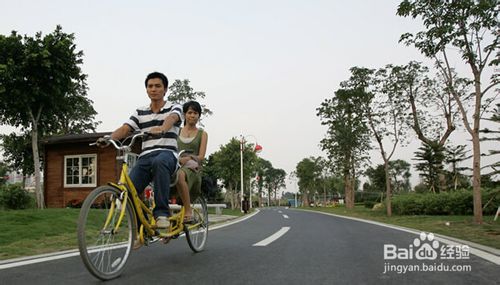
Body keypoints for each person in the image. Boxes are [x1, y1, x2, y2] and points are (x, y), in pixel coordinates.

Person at [100, 71, 182, 229]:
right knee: (129, 189)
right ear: (146, 90)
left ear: (165, 89)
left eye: (158, 86)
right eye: (150, 86)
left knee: (159, 162)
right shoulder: (140, 111)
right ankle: (141, 227)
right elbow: (126, 128)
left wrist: (163, 128)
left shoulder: (174, 106)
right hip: (145, 157)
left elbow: (173, 118)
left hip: (167, 155)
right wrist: (109, 138)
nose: (154, 89)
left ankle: (162, 214)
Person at [176, 101, 208, 222]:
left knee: (180, 175)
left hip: (192, 169)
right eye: (190, 112)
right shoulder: (176, 132)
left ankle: (188, 211)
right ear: (184, 114)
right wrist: (179, 159)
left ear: (199, 116)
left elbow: (201, 157)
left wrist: (189, 158)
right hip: (176, 164)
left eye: (195, 113)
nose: (192, 115)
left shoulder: (202, 134)